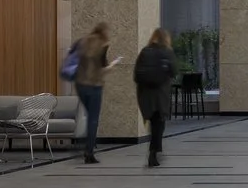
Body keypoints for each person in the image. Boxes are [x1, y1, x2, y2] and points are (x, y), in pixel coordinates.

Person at [63, 22, 120, 161]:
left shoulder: (82, 42)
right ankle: (89, 152)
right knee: (93, 119)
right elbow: (102, 68)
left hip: (80, 84)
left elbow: (70, 57)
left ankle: (85, 143)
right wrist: (114, 65)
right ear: (104, 32)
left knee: (89, 116)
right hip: (94, 85)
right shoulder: (103, 44)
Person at [132, 27, 178, 167]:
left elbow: (136, 75)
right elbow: (174, 71)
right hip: (160, 94)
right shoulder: (167, 52)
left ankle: (156, 149)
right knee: (159, 123)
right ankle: (154, 151)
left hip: (145, 94)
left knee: (153, 122)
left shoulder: (145, 52)